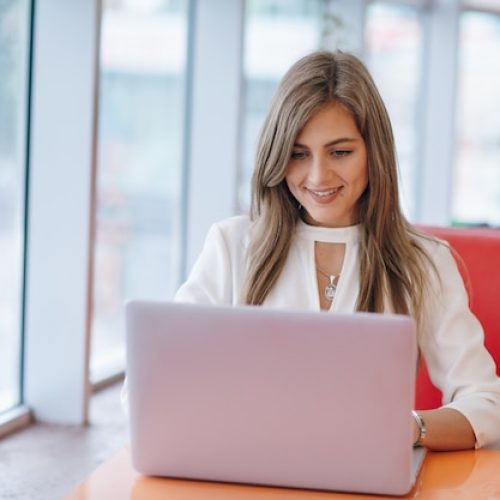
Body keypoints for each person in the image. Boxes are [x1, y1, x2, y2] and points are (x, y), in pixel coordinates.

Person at [172, 50, 500, 451]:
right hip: (248, 469)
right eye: (297, 153)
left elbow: (487, 404)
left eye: (340, 152)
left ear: (373, 152)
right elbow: (157, 381)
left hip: (367, 477)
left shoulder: (423, 261)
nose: (317, 176)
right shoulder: (232, 245)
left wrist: (408, 428)